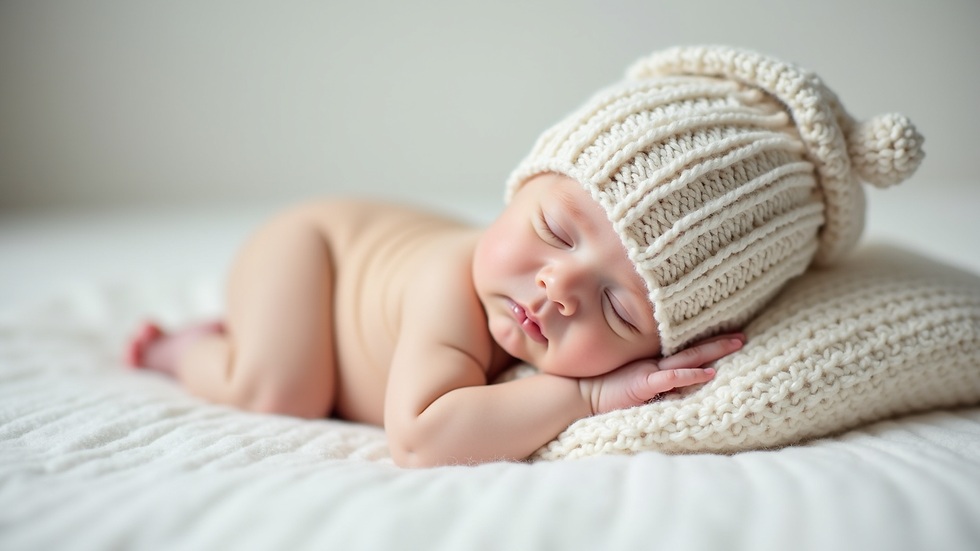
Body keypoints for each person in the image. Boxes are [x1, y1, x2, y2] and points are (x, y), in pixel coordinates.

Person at [126, 46, 923, 467]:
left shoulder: (543, 291)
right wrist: (583, 397)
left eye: (618, 307)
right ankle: (188, 347)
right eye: (554, 229)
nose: (560, 287)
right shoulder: (451, 285)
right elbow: (421, 436)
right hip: (315, 252)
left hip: (336, 259)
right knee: (280, 389)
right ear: (524, 182)